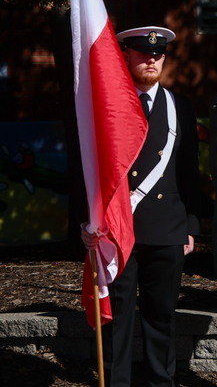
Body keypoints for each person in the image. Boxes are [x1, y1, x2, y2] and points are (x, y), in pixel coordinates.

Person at [81, 26, 201, 387]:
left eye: (158, 54)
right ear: (127, 56)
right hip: (118, 228)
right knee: (117, 316)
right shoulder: (108, 105)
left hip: (167, 227)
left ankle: (160, 381)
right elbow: (84, 166)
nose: (151, 60)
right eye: (143, 53)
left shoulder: (179, 105)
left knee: (161, 313)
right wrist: (84, 223)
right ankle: (116, 382)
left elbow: (189, 170)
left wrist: (191, 225)